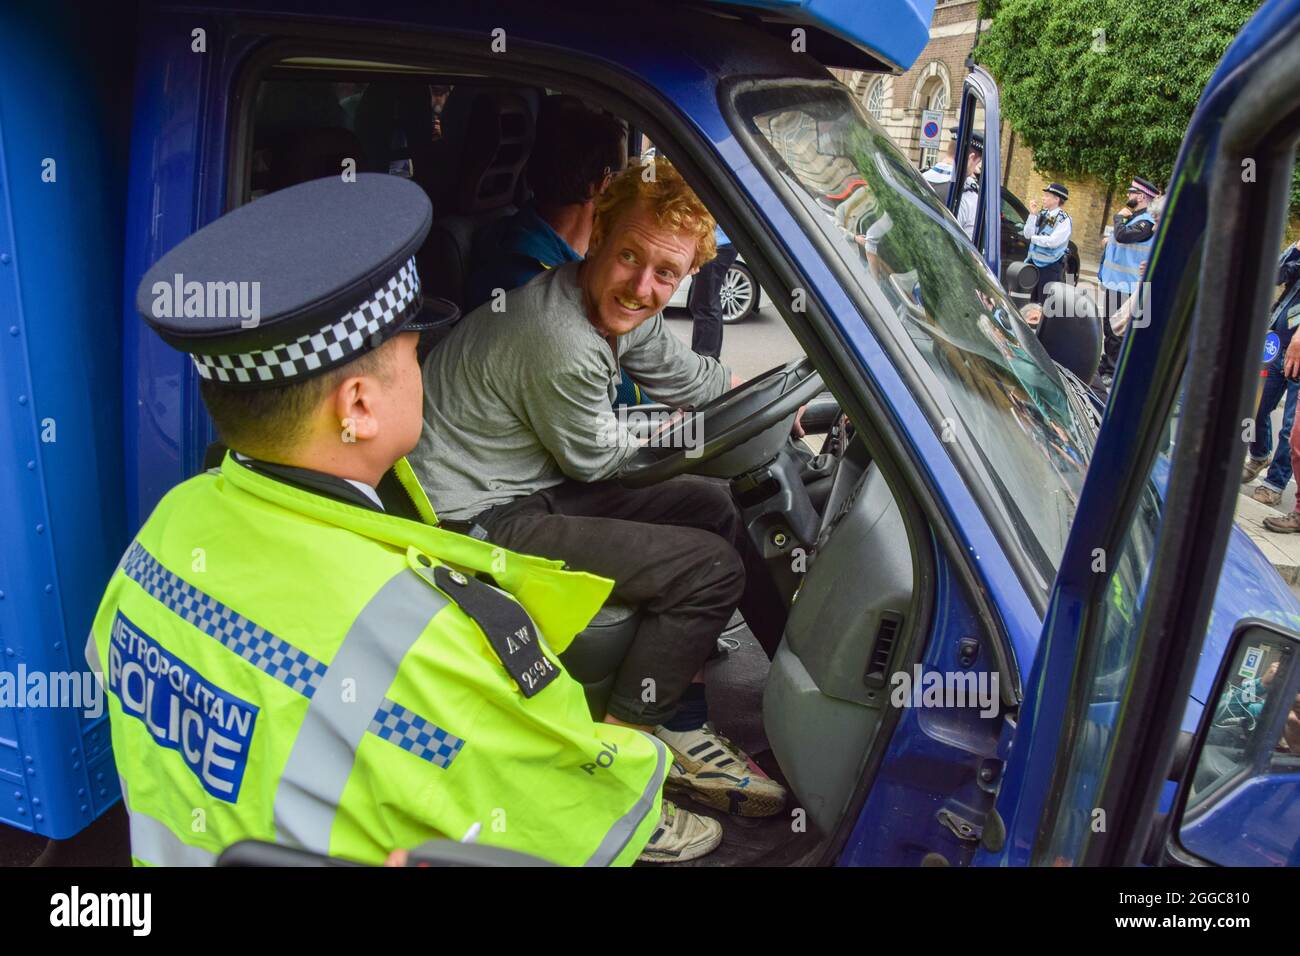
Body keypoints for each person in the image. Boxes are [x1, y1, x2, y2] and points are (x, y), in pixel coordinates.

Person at [86, 173, 720, 866]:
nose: (430, 370)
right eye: (415, 355)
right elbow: (578, 812)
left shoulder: (164, 527)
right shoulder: (437, 635)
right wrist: (641, 778)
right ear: (358, 405)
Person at [412, 158, 791, 818]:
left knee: (713, 504)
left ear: (686, 277)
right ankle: (614, 775)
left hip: (526, 486)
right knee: (709, 570)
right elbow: (595, 460)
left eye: (666, 273)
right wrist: (687, 437)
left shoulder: (620, 306)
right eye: (629, 257)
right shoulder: (556, 336)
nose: (643, 285)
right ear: (602, 237)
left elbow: (692, 380)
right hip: (470, 521)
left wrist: (754, 399)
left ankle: (677, 710)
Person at [464, 95, 639, 403]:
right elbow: (602, 392)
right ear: (604, 184)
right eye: (621, 179)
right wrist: (666, 417)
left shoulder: (513, 234)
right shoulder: (525, 278)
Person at [1242, 237, 1300, 505]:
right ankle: (1258, 453)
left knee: (1290, 426)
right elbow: (1273, 276)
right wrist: (1294, 249)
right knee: (1255, 406)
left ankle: (1275, 483)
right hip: (1277, 342)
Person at [1096, 177, 1160, 383]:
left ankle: (1112, 371)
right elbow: (1119, 239)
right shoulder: (1133, 218)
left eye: (1131, 193)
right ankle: (1107, 363)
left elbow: (1124, 236)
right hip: (1116, 281)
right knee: (1109, 326)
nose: (1128, 196)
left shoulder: (1147, 221)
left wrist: (1117, 219)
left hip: (1127, 283)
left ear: (1141, 196)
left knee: (1116, 330)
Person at [688, 224, 738, 361]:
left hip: (716, 246)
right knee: (706, 302)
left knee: (705, 304)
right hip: (719, 244)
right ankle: (708, 357)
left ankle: (706, 358)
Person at [1023, 183, 1073, 303]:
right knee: (1031, 301)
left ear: (1056, 199)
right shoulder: (1043, 213)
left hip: (1050, 266)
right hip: (1033, 262)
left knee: (1044, 303)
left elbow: (1053, 242)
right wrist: (1032, 215)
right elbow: (1027, 234)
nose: (1043, 198)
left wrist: (1034, 238)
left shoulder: (1064, 219)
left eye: (1047, 195)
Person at [956, 132, 984, 241]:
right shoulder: (970, 198)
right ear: (971, 158)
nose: (976, 170)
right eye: (978, 163)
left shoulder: (922, 178)